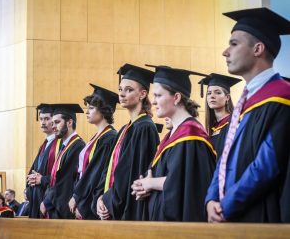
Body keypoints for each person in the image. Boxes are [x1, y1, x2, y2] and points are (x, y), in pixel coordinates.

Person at [206, 8, 290, 223]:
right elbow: (223, 160)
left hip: (260, 216)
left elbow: (267, 165)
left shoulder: (282, 97)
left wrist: (226, 205)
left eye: (234, 44)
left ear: (258, 49)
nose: (225, 52)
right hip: (229, 213)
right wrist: (211, 199)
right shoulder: (245, 101)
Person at [131, 65, 216, 221]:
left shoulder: (192, 136)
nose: (153, 102)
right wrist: (144, 185)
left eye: (158, 95)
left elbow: (188, 184)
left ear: (176, 97)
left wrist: (151, 183)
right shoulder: (172, 135)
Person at [94, 64, 160, 221]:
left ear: (142, 94)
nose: (122, 94)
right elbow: (109, 168)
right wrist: (100, 198)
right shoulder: (126, 128)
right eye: (120, 89)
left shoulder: (144, 128)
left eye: (129, 90)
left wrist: (109, 200)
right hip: (112, 202)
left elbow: (131, 173)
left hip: (129, 206)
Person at [68, 84, 118, 220]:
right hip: (83, 198)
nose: (87, 112)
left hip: (90, 201)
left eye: (91, 108)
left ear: (103, 111)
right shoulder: (97, 136)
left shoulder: (110, 137)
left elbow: (94, 173)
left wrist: (78, 198)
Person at [40, 104, 85, 219]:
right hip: (56, 206)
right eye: (53, 122)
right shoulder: (65, 146)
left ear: (69, 122)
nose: (53, 126)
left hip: (64, 209)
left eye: (57, 122)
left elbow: (64, 181)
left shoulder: (77, 146)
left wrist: (47, 202)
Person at [26, 103, 61, 218]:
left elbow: (61, 175)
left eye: (47, 118)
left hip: (49, 199)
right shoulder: (44, 145)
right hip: (37, 196)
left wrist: (42, 179)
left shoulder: (60, 144)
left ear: (54, 120)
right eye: (41, 119)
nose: (43, 123)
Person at [199, 74, 241, 157]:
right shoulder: (213, 128)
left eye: (218, 92)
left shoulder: (235, 122)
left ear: (227, 97)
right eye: (209, 93)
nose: (212, 96)